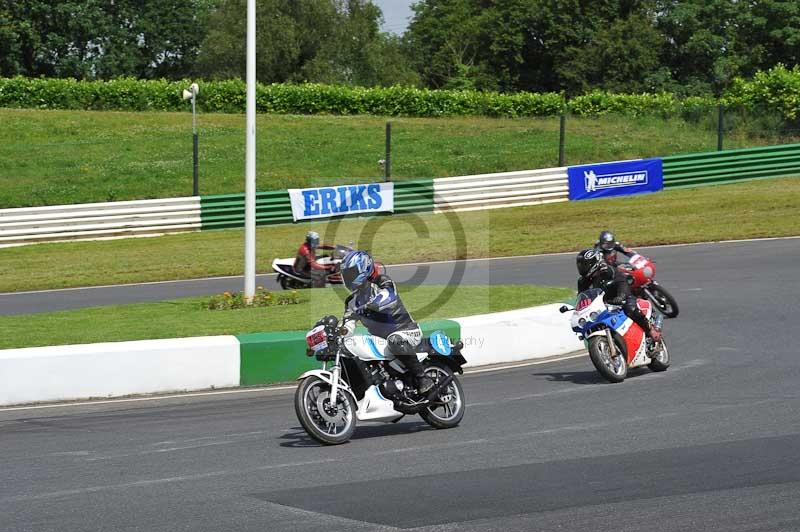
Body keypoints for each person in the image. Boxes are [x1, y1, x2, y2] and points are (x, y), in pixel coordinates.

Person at [339, 250, 434, 394]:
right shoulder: (351, 302)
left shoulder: (382, 281)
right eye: (346, 274)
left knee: (394, 340)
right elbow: (348, 324)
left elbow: (388, 295)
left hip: (405, 330)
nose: (348, 277)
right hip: (379, 340)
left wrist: (372, 304)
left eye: (351, 273)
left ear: (364, 268)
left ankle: (423, 378)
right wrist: (340, 332)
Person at [576, 248, 661, 343]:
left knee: (630, 309)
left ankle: (650, 330)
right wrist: (579, 310)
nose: (581, 268)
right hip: (603, 304)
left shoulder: (607, 271)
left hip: (620, 296)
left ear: (593, 263)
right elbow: (583, 297)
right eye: (579, 265)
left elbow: (621, 281)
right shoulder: (582, 281)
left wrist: (621, 296)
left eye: (584, 265)